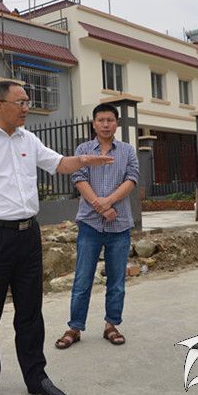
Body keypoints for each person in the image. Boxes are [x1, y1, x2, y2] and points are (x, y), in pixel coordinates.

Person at [0, 80, 114, 395]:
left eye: (28, 102)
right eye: (21, 102)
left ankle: (36, 376)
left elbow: (58, 163)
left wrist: (83, 160)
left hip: (28, 236)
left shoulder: (28, 139)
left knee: (30, 311)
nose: (27, 108)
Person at [54, 103, 139, 350]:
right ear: (93, 123)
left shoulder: (127, 151)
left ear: (116, 123)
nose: (105, 124)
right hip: (90, 225)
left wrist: (109, 201)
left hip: (119, 224)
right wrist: (100, 207)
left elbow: (132, 179)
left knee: (116, 281)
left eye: (110, 120)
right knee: (82, 279)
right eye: (101, 120)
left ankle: (111, 325)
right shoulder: (83, 150)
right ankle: (75, 327)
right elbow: (78, 178)